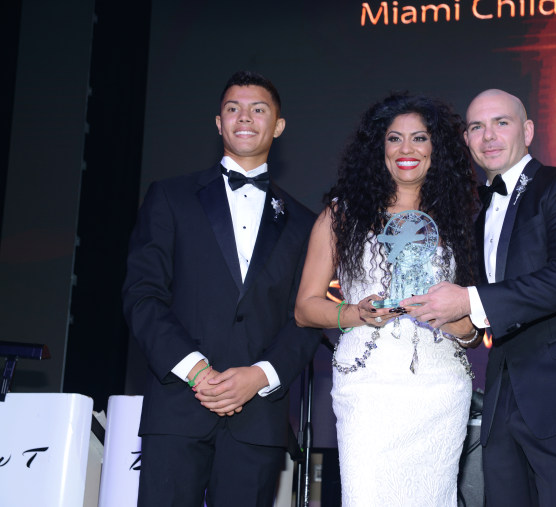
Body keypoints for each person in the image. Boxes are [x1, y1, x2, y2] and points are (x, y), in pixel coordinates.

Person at [401, 89, 556, 506]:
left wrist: (467, 301)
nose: (488, 135)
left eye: (501, 123)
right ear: (467, 141)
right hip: (502, 400)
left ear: (527, 130)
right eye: (476, 127)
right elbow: (474, 312)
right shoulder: (473, 213)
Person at [122, 70, 321, 506]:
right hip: (177, 407)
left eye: (258, 109)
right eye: (233, 108)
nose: (244, 117)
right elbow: (142, 294)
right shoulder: (170, 197)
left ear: (278, 126)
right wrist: (195, 369)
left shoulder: (306, 222)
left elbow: (307, 316)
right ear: (219, 123)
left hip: (259, 419)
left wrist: (259, 377)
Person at [294, 93, 482, 505]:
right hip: (368, 387)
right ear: (378, 148)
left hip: (439, 389)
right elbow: (306, 307)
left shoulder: (461, 218)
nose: (407, 149)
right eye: (395, 138)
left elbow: (472, 328)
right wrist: (355, 313)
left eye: (420, 138)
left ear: (437, 149)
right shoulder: (341, 216)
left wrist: (448, 319)